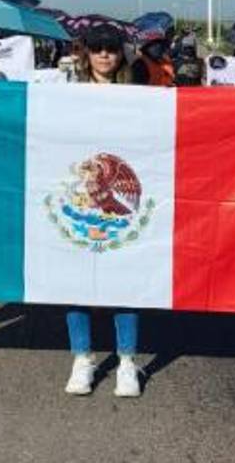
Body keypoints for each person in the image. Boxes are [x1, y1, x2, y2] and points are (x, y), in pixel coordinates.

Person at [63, 24, 142, 397]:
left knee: (125, 281)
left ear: (121, 53)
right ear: (87, 53)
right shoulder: (68, 95)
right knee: (74, 281)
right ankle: (83, 357)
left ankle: (127, 360)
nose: (105, 54)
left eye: (111, 47)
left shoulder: (139, 96)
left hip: (120, 202)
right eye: (97, 48)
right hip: (79, 197)